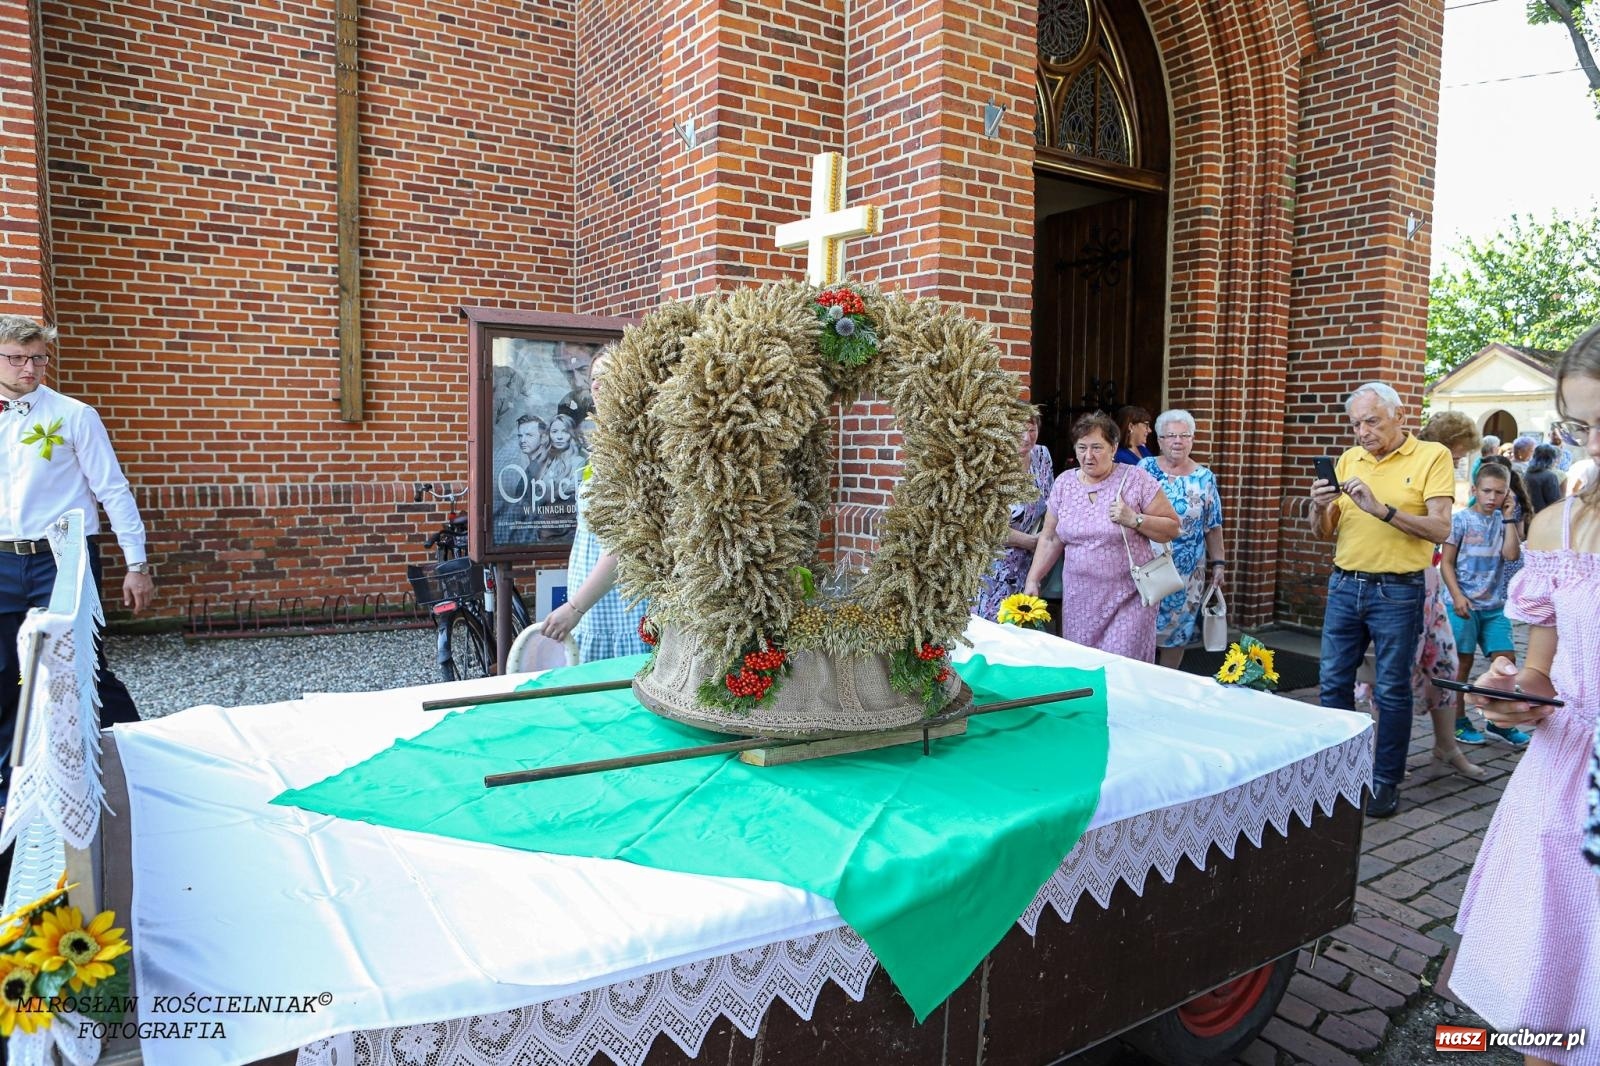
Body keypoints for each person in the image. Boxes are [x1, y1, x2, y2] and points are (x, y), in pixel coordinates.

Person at [1450, 322, 1600, 1061]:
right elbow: (1543, 663)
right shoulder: (1558, 528)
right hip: (1570, 777)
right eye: (1580, 426)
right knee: (1555, 984)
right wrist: (1515, 692)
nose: (1594, 446)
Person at [0, 315, 152, 804]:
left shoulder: (73, 414)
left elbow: (113, 489)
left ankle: (130, 758)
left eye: (39, 358)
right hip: (1, 561)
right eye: (18, 358)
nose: (30, 368)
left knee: (83, 667)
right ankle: (11, 784)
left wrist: (137, 563)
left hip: (63, 558)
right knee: (5, 672)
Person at [1312, 382, 1454, 818]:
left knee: (1391, 689)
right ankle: (1336, 772)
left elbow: (1441, 529)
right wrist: (1318, 507)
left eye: (1371, 421)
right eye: (1356, 423)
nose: (1362, 432)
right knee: (1333, 681)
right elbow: (1324, 532)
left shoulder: (1433, 456)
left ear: (1399, 415)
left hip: (1397, 589)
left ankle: (1384, 780)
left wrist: (1383, 510)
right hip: (1345, 583)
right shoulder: (1349, 459)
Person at [1023, 412, 1180, 662]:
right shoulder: (1065, 483)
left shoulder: (1136, 480)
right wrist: (1033, 579)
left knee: (1121, 667)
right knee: (1084, 667)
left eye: (1097, 447)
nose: (1088, 455)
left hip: (1129, 598)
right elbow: (1051, 538)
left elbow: (1172, 526)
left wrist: (1135, 519)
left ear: (1114, 447)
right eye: (1082, 447)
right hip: (1080, 599)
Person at [539, 349, 650, 663]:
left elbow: (622, 546)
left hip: (618, 613)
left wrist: (574, 609)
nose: (600, 386)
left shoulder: (633, 448)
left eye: (610, 377)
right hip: (593, 605)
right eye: (595, 379)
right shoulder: (605, 443)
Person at [1441, 463, 1529, 750]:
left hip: (1494, 607)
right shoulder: (1461, 521)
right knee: (1462, 664)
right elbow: (1447, 563)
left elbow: (1512, 554)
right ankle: (1458, 720)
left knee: (1506, 664)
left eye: (1499, 492)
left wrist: (1508, 519)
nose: (1492, 497)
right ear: (1474, 490)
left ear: (1508, 495)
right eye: (1487, 491)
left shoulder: (1507, 522)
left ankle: (1499, 723)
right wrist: (1457, 596)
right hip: (1463, 605)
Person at [1137, 410, 1224, 670]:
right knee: (1141, 626)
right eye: (1171, 435)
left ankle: (1167, 685)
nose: (1178, 441)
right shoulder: (1145, 469)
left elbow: (1213, 525)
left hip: (1187, 570)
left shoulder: (1205, 478)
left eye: (1184, 435)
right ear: (1160, 440)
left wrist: (1218, 563)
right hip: (1146, 565)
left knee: (1177, 632)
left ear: (1192, 439)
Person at [974, 409, 1053, 621]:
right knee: (994, 627)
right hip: (993, 568)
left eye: (1032, 429)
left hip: (1029, 566)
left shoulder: (1042, 455)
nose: (1027, 437)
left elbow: (1052, 503)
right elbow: (982, 525)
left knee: (1021, 627)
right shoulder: (990, 465)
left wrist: (1045, 538)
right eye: (1019, 430)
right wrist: (1030, 542)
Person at [1526, 443, 1565, 514]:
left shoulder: (1527, 474)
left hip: (1528, 515)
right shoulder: (1550, 476)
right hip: (1544, 516)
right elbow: (1554, 501)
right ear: (1551, 459)